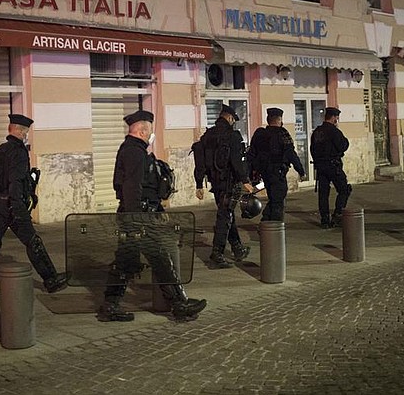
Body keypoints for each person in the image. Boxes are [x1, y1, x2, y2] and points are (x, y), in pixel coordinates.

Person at [97, 110, 207, 322]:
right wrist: (137, 219)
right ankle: (177, 304)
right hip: (138, 217)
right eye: (149, 131)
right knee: (153, 259)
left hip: (140, 215)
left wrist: (156, 211)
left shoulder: (133, 149)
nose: (150, 135)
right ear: (141, 131)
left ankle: (112, 305)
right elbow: (132, 187)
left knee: (135, 261)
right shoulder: (134, 152)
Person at [0, 114, 67, 301]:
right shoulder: (19, 152)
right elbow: (15, 180)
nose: (26, 135)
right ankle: (51, 279)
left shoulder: (1, 150)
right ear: (20, 131)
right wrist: (19, 208)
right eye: (25, 132)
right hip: (13, 205)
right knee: (32, 241)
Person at [193, 104, 254, 269]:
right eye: (233, 119)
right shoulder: (232, 136)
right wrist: (245, 180)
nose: (233, 122)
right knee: (224, 217)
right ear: (229, 118)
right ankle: (217, 253)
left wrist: (199, 183)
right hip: (229, 184)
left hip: (215, 183)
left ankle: (237, 248)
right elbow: (236, 160)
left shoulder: (207, 136)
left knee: (226, 214)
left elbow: (200, 161)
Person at [247, 107, 306, 221]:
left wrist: (251, 174)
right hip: (278, 172)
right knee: (278, 201)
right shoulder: (282, 133)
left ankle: (267, 224)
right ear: (279, 120)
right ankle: (272, 228)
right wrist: (301, 171)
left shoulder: (260, 134)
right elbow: (291, 153)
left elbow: (251, 154)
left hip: (265, 173)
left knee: (274, 199)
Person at [309, 107, 352, 229]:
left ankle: (324, 219)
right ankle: (337, 215)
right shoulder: (334, 131)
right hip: (333, 166)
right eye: (336, 118)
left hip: (321, 167)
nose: (337, 120)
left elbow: (312, 149)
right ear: (333, 118)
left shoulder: (317, 131)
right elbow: (343, 145)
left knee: (323, 194)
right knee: (344, 189)